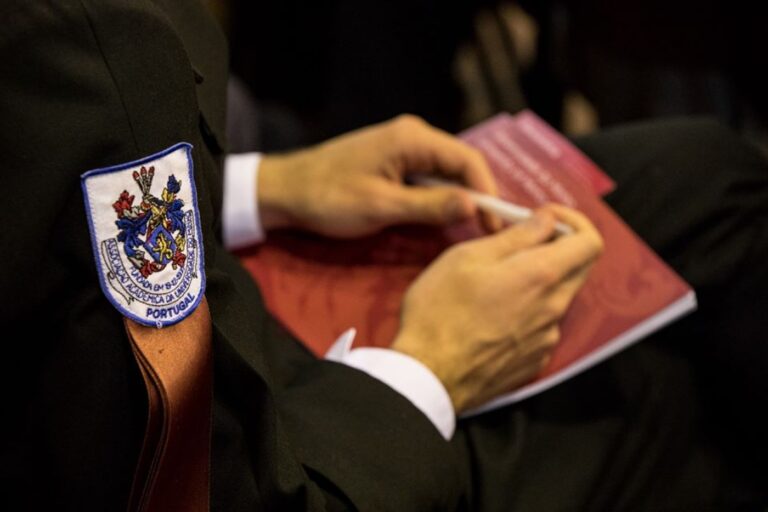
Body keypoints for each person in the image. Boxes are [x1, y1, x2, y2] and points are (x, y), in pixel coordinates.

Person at [1, 1, 766, 511]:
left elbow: (54, 207)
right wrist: (431, 365)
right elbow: (186, 482)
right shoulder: (79, 37)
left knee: (709, 173)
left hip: (223, 279)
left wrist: (265, 188)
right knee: (657, 399)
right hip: (282, 439)